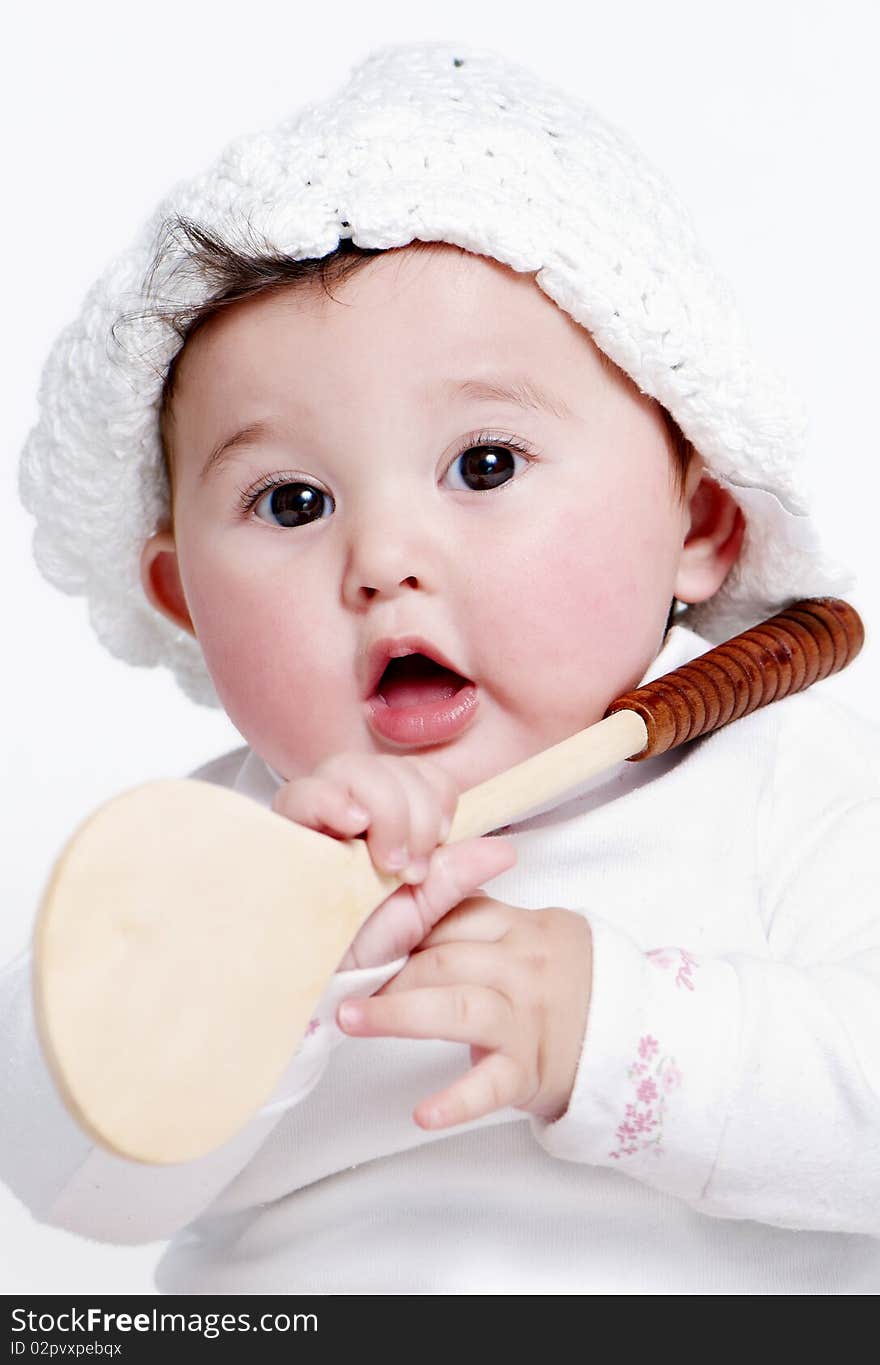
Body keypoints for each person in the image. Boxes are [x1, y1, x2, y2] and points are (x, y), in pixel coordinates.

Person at [3, 40, 878, 1295]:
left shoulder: (785, 786)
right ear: (180, 595)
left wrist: (622, 1037)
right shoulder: (216, 853)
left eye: (483, 465)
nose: (383, 560)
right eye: (292, 500)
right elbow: (61, 1175)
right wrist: (281, 959)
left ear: (698, 527)